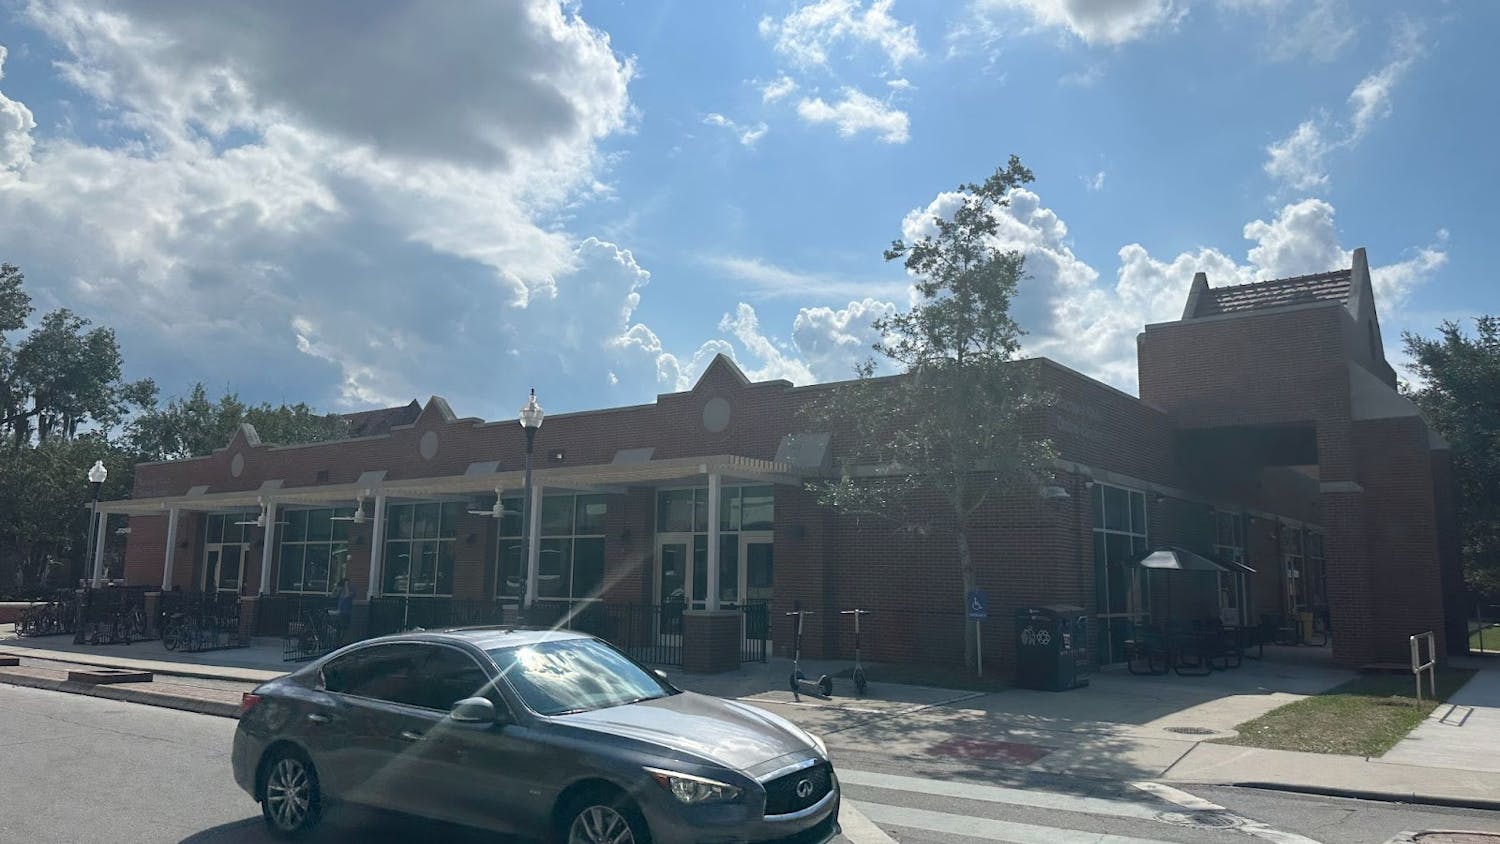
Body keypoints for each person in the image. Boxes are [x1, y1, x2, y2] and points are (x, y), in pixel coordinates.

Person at [335, 578, 354, 645]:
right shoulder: (341, 592)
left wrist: (346, 586)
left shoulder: (351, 591)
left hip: (346, 613)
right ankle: (338, 642)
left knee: (344, 629)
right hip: (340, 613)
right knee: (338, 629)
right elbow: (334, 593)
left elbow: (347, 595)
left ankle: (343, 642)